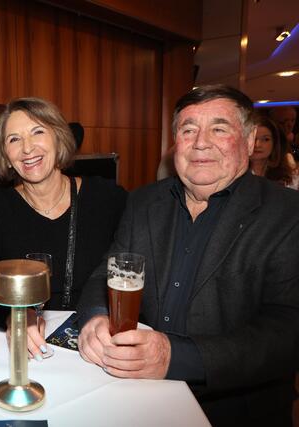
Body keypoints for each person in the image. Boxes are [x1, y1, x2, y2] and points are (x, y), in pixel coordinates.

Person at [76, 84, 299, 426]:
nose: (200, 143)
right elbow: (106, 272)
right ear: (175, 142)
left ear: (250, 140)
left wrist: (176, 357)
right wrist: (95, 317)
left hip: (231, 411)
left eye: (219, 129)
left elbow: (287, 331)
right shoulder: (142, 202)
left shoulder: (288, 214)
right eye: (188, 130)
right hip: (135, 398)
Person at [0, 97, 126, 361]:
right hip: (25, 347)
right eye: (14, 139)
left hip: (96, 341)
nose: (27, 148)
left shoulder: (108, 198)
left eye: (37, 132)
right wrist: (14, 313)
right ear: (6, 156)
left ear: (58, 139)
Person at [249, 114, 299, 189]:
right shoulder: (235, 174)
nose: (257, 144)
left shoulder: (289, 177)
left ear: (274, 143)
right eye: (253, 138)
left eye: (265, 139)